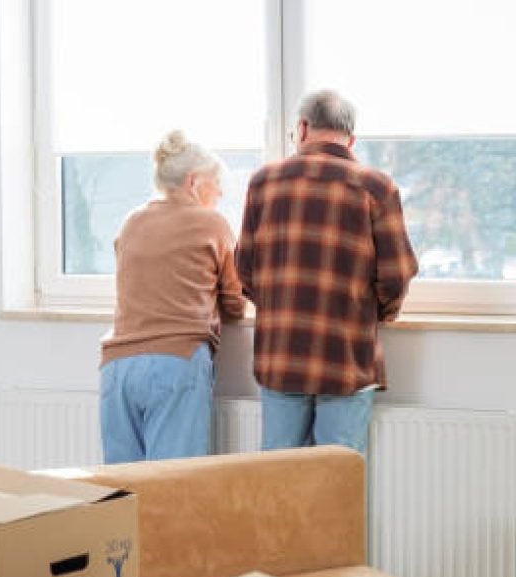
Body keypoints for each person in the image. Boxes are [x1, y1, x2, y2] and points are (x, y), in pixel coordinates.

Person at [236, 89, 419, 455]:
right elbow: (397, 274)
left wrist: (279, 305)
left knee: (279, 476)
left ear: (302, 129)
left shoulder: (263, 183)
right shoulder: (376, 187)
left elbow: (245, 270)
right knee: (339, 483)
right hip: (346, 357)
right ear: (351, 138)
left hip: (281, 355)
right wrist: (373, 313)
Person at [100, 130, 246, 464]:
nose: (220, 191)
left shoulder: (130, 222)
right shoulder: (212, 223)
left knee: (123, 490)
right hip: (174, 362)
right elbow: (235, 303)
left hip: (117, 367)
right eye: (216, 182)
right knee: (174, 485)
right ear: (194, 182)